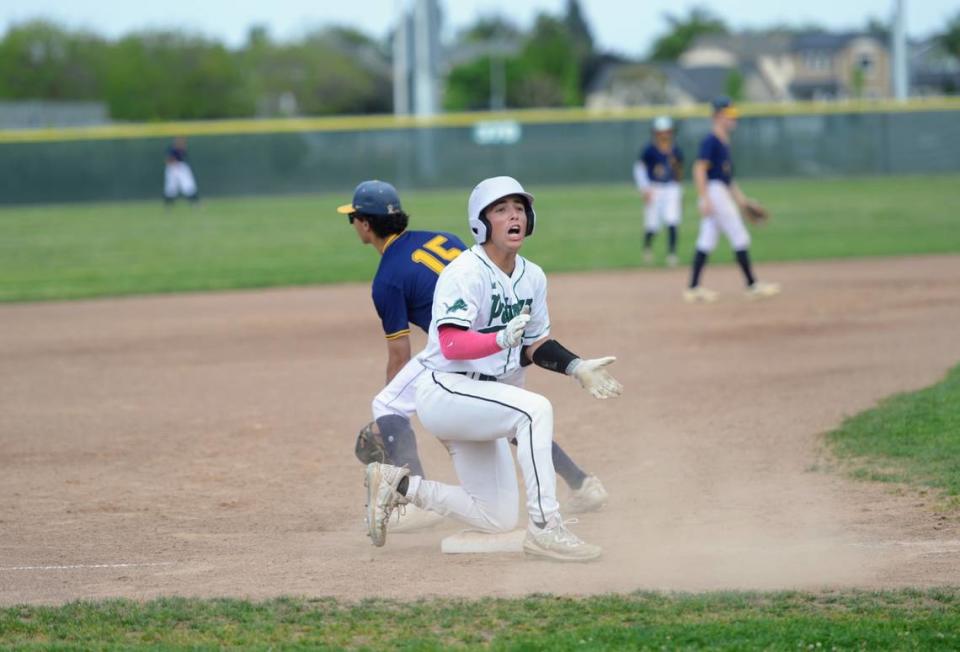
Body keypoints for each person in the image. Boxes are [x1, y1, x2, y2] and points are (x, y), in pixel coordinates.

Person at [362, 176, 623, 561]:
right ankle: (547, 528)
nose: (513, 216)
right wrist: (499, 339)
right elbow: (450, 343)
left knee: (496, 516)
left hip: (480, 397)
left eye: (519, 208)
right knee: (534, 410)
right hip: (446, 389)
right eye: (501, 210)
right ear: (481, 224)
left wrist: (575, 366)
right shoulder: (464, 272)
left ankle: (399, 487)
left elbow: (535, 344)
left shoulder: (532, 276)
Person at [684, 97, 780, 303]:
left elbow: (729, 181)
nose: (733, 119)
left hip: (720, 191)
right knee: (739, 234)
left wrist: (744, 202)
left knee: (707, 239)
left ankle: (693, 288)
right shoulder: (711, 141)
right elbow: (699, 169)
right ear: (718, 117)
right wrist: (705, 199)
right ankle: (752, 285)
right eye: (729, 115)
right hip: (714, 192)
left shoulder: (724, 143)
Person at [634, 115, 684, 267]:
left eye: (668, 131)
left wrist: (679, 189)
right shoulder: (649, 150)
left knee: (672, 221)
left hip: (671, 188)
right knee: (652, 225)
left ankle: (672, 254)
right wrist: (644, 189)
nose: (665, 134)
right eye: (662, 131)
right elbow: (639, 169)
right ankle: (647, 248)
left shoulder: (675, 150)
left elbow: (679, 172)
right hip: (655, 187)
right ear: (656, 132)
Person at [163, 136, 199, 206]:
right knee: (171, 187)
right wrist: (172, 162)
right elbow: (168, 160)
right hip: (173, 168)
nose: (182, 143)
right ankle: (168, 204)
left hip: (181, 168)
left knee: (188, 185)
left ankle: (195, 202)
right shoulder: (171, 149)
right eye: (180, 141)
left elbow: (182, 159)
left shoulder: (182, 150)